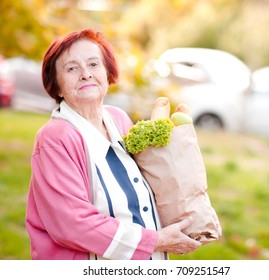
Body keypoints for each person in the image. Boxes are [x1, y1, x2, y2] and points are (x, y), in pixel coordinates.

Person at [25, 28, 204, 260]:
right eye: (71, 68)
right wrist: (157, 241)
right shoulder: (55, 138)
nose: (86, 74)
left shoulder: (117, 119)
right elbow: (73, 223)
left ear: (107, 72)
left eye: (93, 64)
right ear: (56, 86)